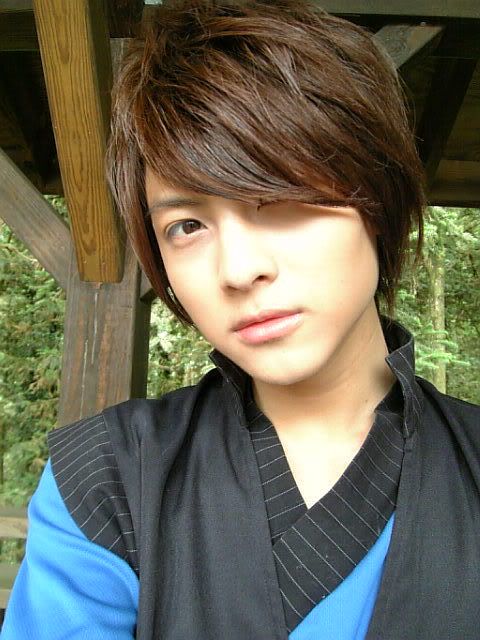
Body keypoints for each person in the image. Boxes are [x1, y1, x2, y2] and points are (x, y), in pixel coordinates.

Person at [3, 1, 480, 638]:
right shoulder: (105, 476)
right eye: (187, 226)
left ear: (378, 201)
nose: (238, 269)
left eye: (277, 198)